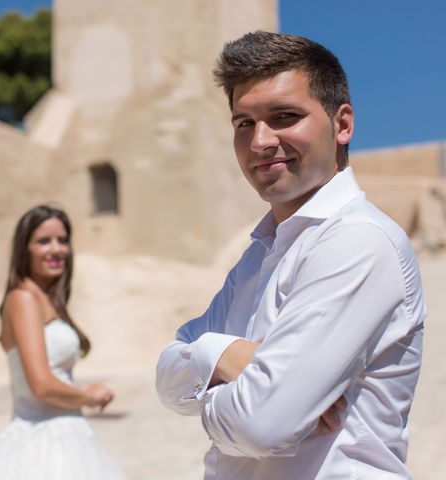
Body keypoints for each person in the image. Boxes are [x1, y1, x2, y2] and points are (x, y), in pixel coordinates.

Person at [156, 31, 425, 480]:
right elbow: (166, 376)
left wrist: (207, 367)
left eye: (284, 117)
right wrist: (224, 354)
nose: (261, 141)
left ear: (342, 125)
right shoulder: (259, 254)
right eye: (244, 123)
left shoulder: (357, 241)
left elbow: (260, 425)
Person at [0, 205, 125, 479]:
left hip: (67, 436)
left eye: (62, 240)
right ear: (25, 249)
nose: (56, 249)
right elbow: (41, 385)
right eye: (44, 241)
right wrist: (87, 395)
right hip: (43, 443)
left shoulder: (45, 298)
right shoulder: (24, 299)